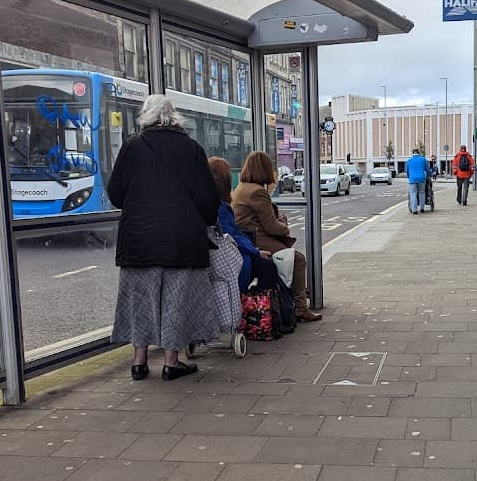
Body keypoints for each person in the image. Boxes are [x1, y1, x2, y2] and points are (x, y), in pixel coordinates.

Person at [107, 94, 221, 382]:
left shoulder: (131, 147)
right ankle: (172, 362)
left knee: (140, 300)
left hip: (139, 239)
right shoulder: (192, 149)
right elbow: (209, 200)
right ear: (174, 116)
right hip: (181, 240)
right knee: (175, 300)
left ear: (145, 116)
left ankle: (138, 361)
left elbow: (115, 194)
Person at [233, 151, 322, 322]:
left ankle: (298, 293)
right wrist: (284, 226)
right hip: (257, 239)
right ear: (264, 169)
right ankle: (300, 308)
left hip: (248, 237)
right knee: (298, 259)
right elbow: (271, 227)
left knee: (290, 257)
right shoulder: (257, 192)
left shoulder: (242, 187)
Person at [207, 156, 280, 292]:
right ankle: (259, 306)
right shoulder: (219, 206)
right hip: (232, 255)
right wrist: (255, 251)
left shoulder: (224, 198)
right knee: (273, 266)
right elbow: (230, 236)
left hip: (236, 248)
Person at [405, 148, 430, 214]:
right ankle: (422, 208)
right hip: (421, 179)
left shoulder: (409, 161)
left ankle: (414, 210)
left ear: (413, 153)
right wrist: (428, 176)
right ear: (419, 153)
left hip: (412, 179)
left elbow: (407, 171)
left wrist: (409, 177)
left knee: (413, 194)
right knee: (421, 193)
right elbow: (427, 170)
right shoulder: (423, 159)